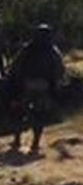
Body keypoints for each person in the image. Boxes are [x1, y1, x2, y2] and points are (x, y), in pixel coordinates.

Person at [8, 24, 65, 154]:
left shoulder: (28, 49)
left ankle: (17, 140)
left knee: (19, 111)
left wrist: (14, 81)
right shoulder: (52, 50)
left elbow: (16, 66)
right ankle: (35, 143)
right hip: (44, 86)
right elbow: (60, 69)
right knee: (39, 115)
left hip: (27, 84)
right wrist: (55, 85)